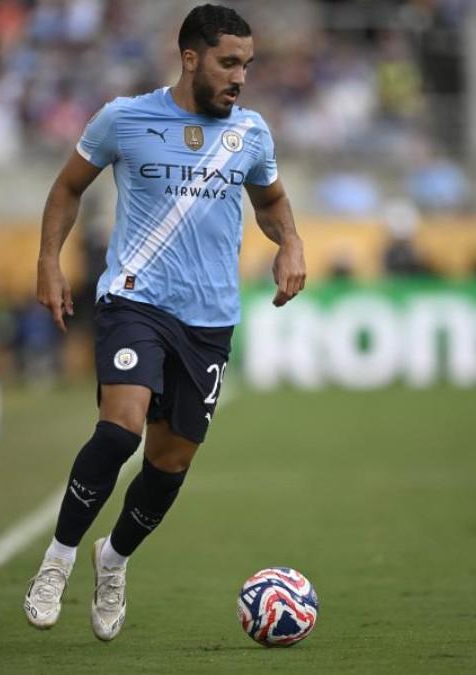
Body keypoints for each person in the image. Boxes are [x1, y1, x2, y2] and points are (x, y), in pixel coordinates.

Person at [23, 4, 306, 641]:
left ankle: (114, 559)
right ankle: (59, 557)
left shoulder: (251, 134)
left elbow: (273, 200)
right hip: (134, 300)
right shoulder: (124, 119)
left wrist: (291, 244)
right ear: (190, 58)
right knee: (120, 430)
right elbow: (68, 187)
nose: (240, 77)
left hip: (209, 322)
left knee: (169, 465)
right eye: (229, 63)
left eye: (247, 65)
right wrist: (48, 261)